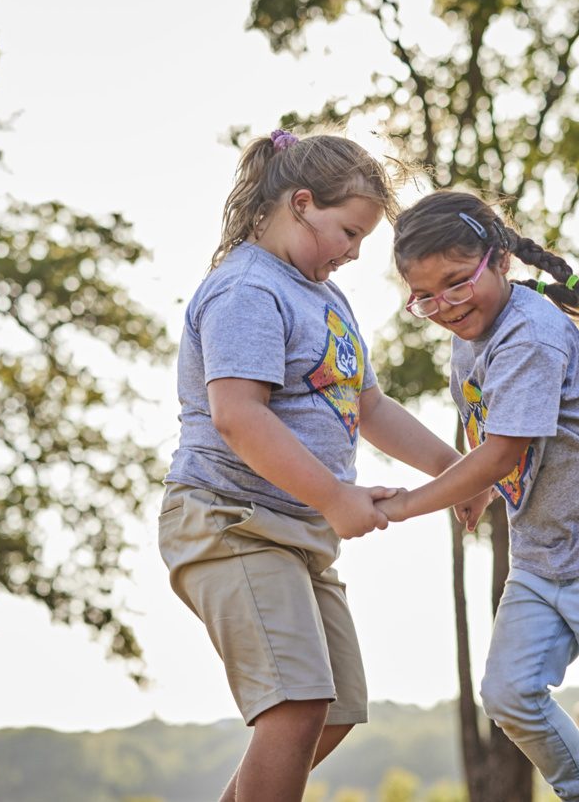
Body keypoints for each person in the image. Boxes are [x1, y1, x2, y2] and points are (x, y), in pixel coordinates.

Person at [160, 130, 491, 802]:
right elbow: (237, 416)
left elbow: (368, 405)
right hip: (231, 523)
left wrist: (455, 468)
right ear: (302, 203)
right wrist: (338, 496)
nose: (353, 252)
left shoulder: (326, 300)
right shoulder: (247, 290)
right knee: (296, 703)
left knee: (333, 706)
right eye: (348, 231)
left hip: (296, 533)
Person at [377, 190, 579, 802]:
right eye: (424, 297)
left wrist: (405, 504)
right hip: (544, 551)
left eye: (456, 283)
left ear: (500, 261)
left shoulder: (531, 332)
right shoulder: (471, 330)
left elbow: (503, 451)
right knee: (509, 694)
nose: (444, 307)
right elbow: (492, 430)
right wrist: (480, 490)